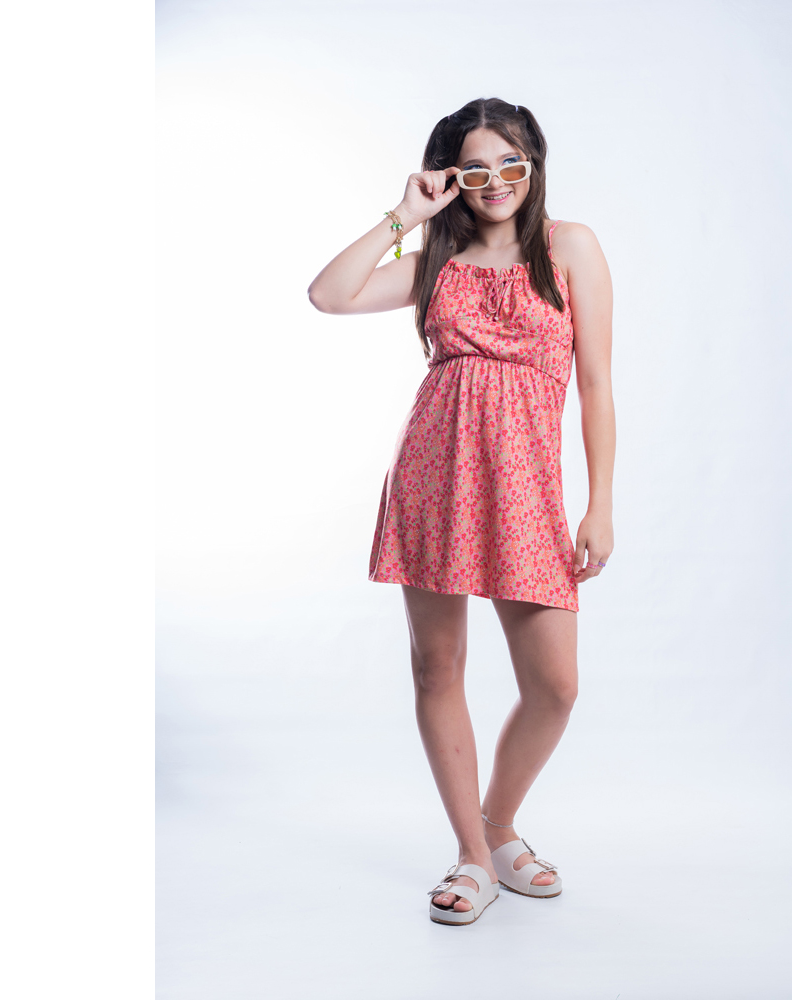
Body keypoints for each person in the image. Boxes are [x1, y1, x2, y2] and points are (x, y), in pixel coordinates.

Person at [308, 97, 615, 925]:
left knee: (555, 686)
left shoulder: (570, 248)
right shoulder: (435, 261)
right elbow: (328, 295)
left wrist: (600, 504)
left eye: (512, 164)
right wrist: (405, 214)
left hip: (526, 489)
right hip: (433, 475)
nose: (497, 182)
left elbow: (596, 384)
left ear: (534, 164)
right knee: (437, 669)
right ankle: (474, 855)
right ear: (451, 176)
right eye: (475, 168)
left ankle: (499, 824)